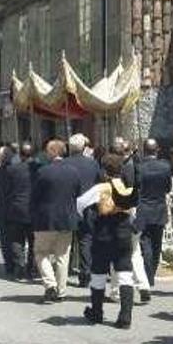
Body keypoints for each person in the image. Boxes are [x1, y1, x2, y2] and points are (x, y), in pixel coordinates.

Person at [81, 153, 138, 329]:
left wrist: (89, 219)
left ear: (104, 170)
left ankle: (97, 312)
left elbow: (79, 204)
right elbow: (134, 210)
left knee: (98, 272)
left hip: (103, 233)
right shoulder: (127, 187)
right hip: (123, 233)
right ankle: (125, 316)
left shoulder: (101, 188)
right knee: (124, 273)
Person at [30, 140, 81, 303]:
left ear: (52, 152)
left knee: (41, 252)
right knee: (63, 257)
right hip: (67, 219)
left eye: (47, 151)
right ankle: (61, 291)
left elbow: (35, 197)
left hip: (45, 219)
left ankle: (50, 285)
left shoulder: (43, 172)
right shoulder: (73, 172)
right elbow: (77, 193)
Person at [134, 139, 173, 294]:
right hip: (159, 208)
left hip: (143, 208)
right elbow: (168, 188)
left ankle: (147, 276)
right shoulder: (165, 167)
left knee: (145, 244)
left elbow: (136, 187)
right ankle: (151, 276)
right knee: (156, 245)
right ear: (157, 150)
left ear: (144, 150)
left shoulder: (139, 167)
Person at [65, 134, 101, 288]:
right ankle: (85, 274)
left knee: (67, 242)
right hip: (88, 207)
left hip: (69, 207)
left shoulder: (64, 164)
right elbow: (99, 182)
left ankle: (64, 271)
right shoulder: (92, 164)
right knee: (85, 241)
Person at [0, 143, 36, 280]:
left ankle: (20, 266)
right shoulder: (40, 169)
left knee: (17, 239)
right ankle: (31, 268)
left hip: (16, 208)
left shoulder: (12, 170)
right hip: (33, 210)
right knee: (33, 241)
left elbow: (5, 192)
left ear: (20, 154)